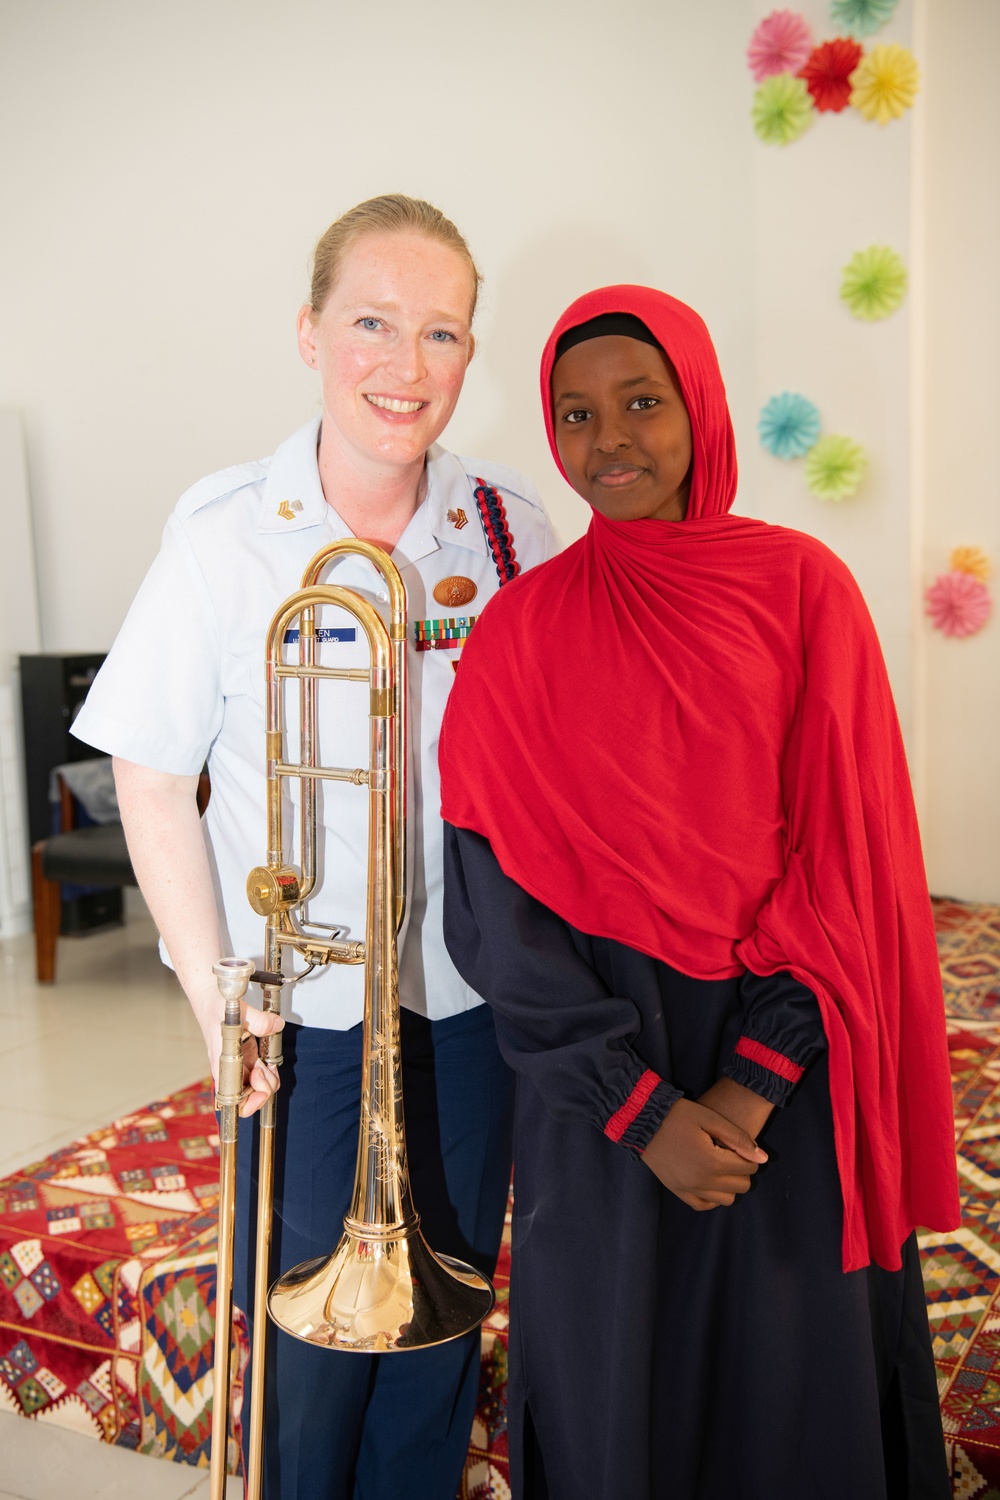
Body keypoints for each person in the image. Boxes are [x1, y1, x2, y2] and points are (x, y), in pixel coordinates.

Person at [438, 286, 959, 1500]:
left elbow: (850, 858)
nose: (609, 439)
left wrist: (752, 1079)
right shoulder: (517, 632)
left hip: (784, 1062)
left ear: (700, 407)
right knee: (615, 1383)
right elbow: (492, 903)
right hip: (597, 1096)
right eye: (576, 413)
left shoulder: (797, 588)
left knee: (790, 1389)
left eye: (641, 402)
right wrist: (633, 1106)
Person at [71, 194, 554, 1500]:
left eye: (442, 331)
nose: (407, 367)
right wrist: (214, 995)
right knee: (309, 1338)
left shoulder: (512, 535)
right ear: (309, 333)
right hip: (301, 1013)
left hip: (465, 1003)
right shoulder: (223, 537)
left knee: (440, 1310)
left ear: (471, 351)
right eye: (373, 324)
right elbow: (152, 777)